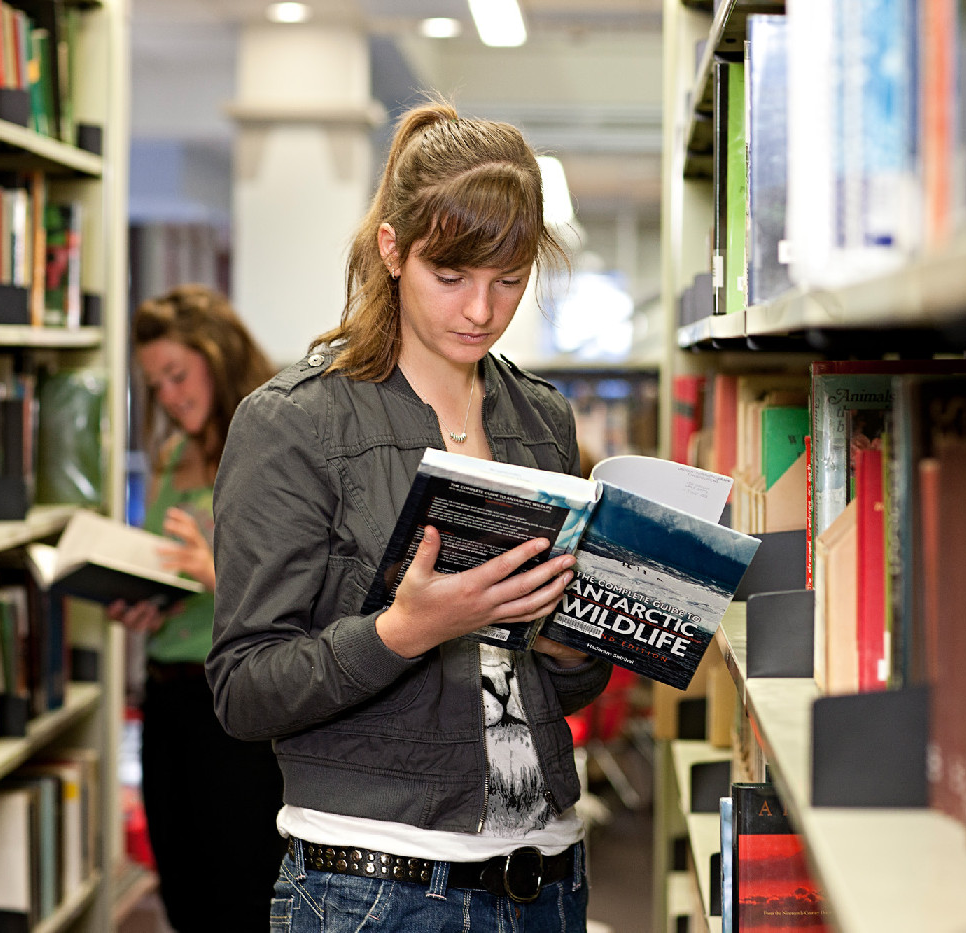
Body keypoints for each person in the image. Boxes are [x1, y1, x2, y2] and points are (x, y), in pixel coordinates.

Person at [207, 100, 613, 933]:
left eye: (509, 279)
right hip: (377, 888)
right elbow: (245, 688)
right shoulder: (294, 421)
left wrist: (576, 637)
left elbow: (553, 683)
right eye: (452, 276)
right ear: (392, 250)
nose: (481, 310)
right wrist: (404, 630)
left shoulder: (541, 419)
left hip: (549, 873)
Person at [111, 284, 285, 932]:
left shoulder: (270, 449)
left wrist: (214, 573)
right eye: (155, 384)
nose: (169, 395)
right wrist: (143, 600)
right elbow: (172, 572)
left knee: (241, 893)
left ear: (217, 355)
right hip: (167, 697)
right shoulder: (172, 455)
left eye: (178, 374)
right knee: (181, 890)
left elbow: (304, 597)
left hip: (234, 708)